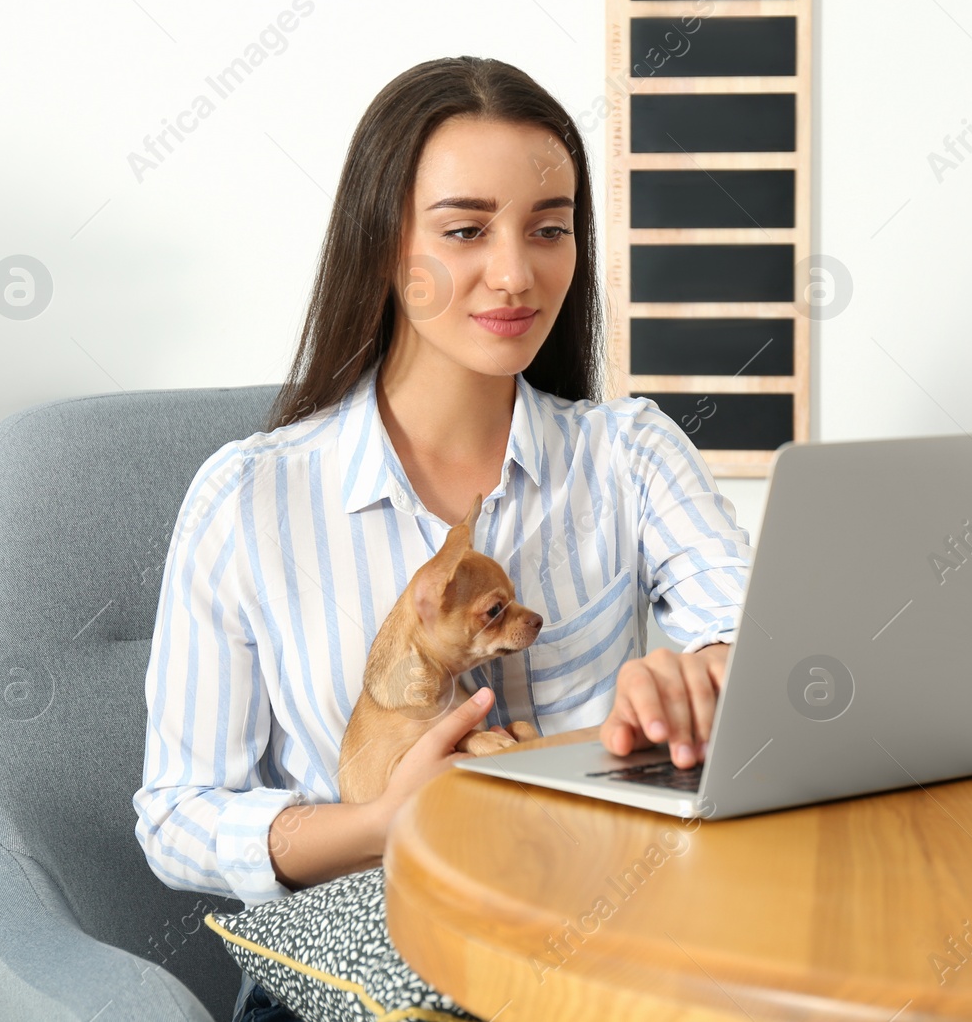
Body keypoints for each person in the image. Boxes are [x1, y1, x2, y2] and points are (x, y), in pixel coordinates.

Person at [133, 55, 752, 1022]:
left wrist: (706, 671)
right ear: (385, 246)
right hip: (361, 966)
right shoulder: (249, 500)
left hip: (593, 943)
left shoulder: (630, 454)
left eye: (550, 229)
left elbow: (769, 644)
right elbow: (177, 815)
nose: (515, 272)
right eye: (465, 230)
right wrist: (377, 822)